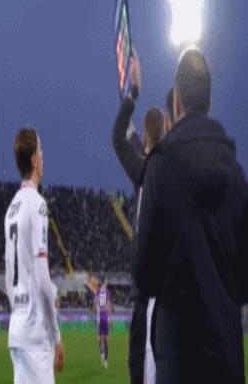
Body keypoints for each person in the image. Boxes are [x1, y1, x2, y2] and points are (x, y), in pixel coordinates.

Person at [133, 49, 247, 383]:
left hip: (178, 362)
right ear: (209, 103)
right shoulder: (237, 176)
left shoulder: (160, 167)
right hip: (227, 362)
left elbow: (143, 275)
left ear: (177, 104)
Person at [112, 52, 165, 384]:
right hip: (169, 304)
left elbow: (118, 137)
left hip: (148, 303)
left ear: (146, 139)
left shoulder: (145, 171)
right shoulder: (170, 172)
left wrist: (133, 92)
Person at [5, 128, 64, 384]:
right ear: (33, 160)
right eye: (40, 150)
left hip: (17, 330)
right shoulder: (37, 204)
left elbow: (9, 278)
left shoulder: (11, 208)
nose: (43, 155)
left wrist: (19, 310)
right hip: (34, 335)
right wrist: (56, 337)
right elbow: (40, 276)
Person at [92, 277, 113, 369]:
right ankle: (106, 361)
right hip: (105, 317)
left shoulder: (97, 292)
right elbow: (109, 305)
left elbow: (94, 304)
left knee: (100, 339)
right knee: (105, 339)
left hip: (99, 317)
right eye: (106, 282)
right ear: (104, 282)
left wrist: (94, 317)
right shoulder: (107, 293)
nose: (107, 283)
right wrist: (110, 318)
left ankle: (102, 355)